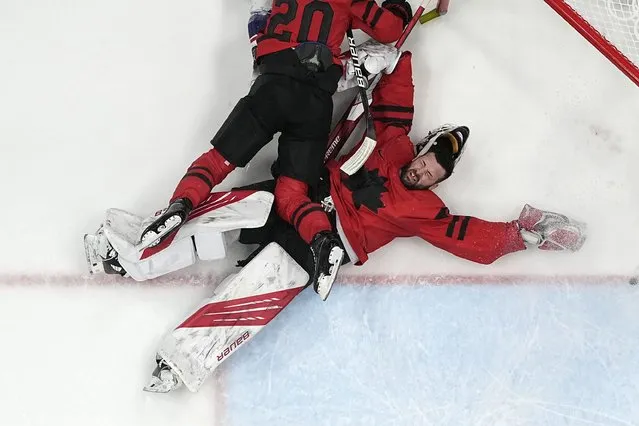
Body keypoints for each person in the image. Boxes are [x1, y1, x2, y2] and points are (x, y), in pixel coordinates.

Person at [84, 48, 587, 301]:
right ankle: (127, 257)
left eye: (433, 170)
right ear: (420, 149)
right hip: (296, 195)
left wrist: (522, 237)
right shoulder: (393, 144)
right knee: (214, 228)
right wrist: (398, 51)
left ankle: (184, 359)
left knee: (251, 289)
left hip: (325, 245)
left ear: (437, 182)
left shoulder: (426, 211)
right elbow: (397, 91)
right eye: (427, 156)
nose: (423, 168)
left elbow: (469, 239)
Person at [138, 0, 414, 294]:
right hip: (314, 103)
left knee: (218, 161)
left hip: (272, 86)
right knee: (292, 194)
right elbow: (390, 30)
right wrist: (397, 9)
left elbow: (260, 18)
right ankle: (322, 239)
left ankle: (181, 204)